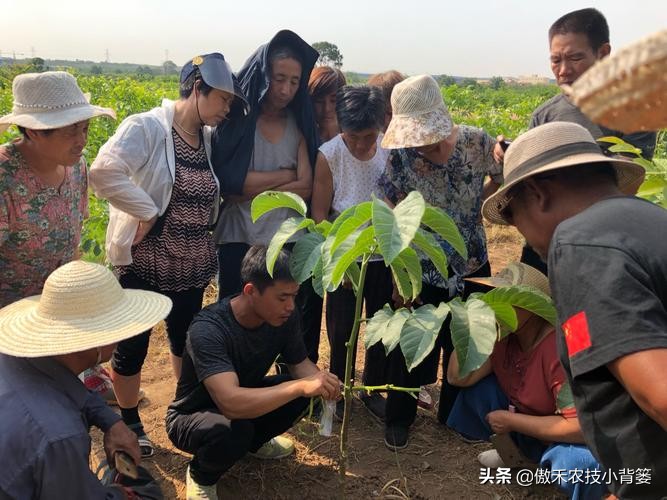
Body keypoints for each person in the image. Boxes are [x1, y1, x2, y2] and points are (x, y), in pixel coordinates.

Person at [482, 121, 667, 499]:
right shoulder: (648, 221)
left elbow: (661, 396)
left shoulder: (579, 242)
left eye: (516, 219)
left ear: (538, 193)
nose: (528, 243)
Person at [89, 53, 248, 457]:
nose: (227, 109)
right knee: (133, 347)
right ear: (198, 89)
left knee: (185, 342)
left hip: (192, 262)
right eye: (223, 100)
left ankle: (183, 412)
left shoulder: (208, 140)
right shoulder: (147, 127)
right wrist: (145, 210)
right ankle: (130, 421)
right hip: (146, 261)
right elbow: (103, 171)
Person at [377, 74, 505, 450]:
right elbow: (386, 199)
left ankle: (454, 414)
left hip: (471, 260)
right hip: (424, 262)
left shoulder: (477, 142)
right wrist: (399, 260)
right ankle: (399, 417)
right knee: (415, 341)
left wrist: (471, 208)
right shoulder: (402, 156)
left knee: (465, 339)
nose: (423, 143)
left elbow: (499, 179)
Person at [166, 246, 340, 500]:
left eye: (294, 296)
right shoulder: (208, 329)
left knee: (305, 389)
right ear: (251, 291)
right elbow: (231, 403)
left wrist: (324, 384)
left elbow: (300, 364)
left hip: (242, 403)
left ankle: (253, 444)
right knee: (233, 430)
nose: (291, 306)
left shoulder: (284, 317)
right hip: (192, 416)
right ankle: (201, 474)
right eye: (282, 297)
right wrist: (302, 386)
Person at [0, 260, 172, 499]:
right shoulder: (61, 435)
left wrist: (112, 422)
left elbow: (64, 385)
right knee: (144, 488)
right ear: (98, 338)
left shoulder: (10, 357)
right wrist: (121, 494)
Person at [0, 70, 119, 400]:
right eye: (70, 131)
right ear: (34, 132)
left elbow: (72, 243)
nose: (81, 139)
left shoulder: (76, 168)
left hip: (60, 315)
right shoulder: (4, 176)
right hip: (12, 325)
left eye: (84, 128)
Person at [446, 262, 604, 500]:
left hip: (582, 436)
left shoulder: (559, 348)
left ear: (531, 308)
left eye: (505, 299)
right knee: (481, 391)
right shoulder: (505, 334)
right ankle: (522, 457)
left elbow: (583, 428)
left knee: (578, 466)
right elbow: (459, 377)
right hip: (534, 418)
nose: (494, 304)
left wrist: (512, 421)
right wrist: (469, 327)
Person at [211, 30, 322, 363]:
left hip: (284, 238)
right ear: (263, 77)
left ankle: (284, 385)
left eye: (294, 81)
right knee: (235, 312)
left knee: (283, 317)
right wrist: (284, 176)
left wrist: (255, 185)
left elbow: (306, 186)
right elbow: (232, 187)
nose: (286, 90)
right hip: (238, 236)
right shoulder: (237, 121)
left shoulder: (300, 123)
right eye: (278, 79)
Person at [520, 8, 657, 273]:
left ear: (603, 54)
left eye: (575, 58)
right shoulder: (544, 114)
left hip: (600, 245)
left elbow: (627, 182)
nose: (563, 70)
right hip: (545, 245)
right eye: (556, 60)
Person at [311, 85, 392, 421]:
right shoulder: (329, 154)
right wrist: (336, 261)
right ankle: (338, 390)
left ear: (381, 126)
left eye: (368, 136)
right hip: (344, 258)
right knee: (342, 329)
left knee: (379, 325)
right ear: (341, 127)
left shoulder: (388, 150)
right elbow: (319, 214)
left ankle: (373, 389)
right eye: (353, 136)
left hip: (383, 255)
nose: (361, 144)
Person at [308, 66, 347, 143]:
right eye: (319, 101)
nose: (327, 108)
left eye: (333, 100)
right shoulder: (304, 139)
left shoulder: (355, 137)